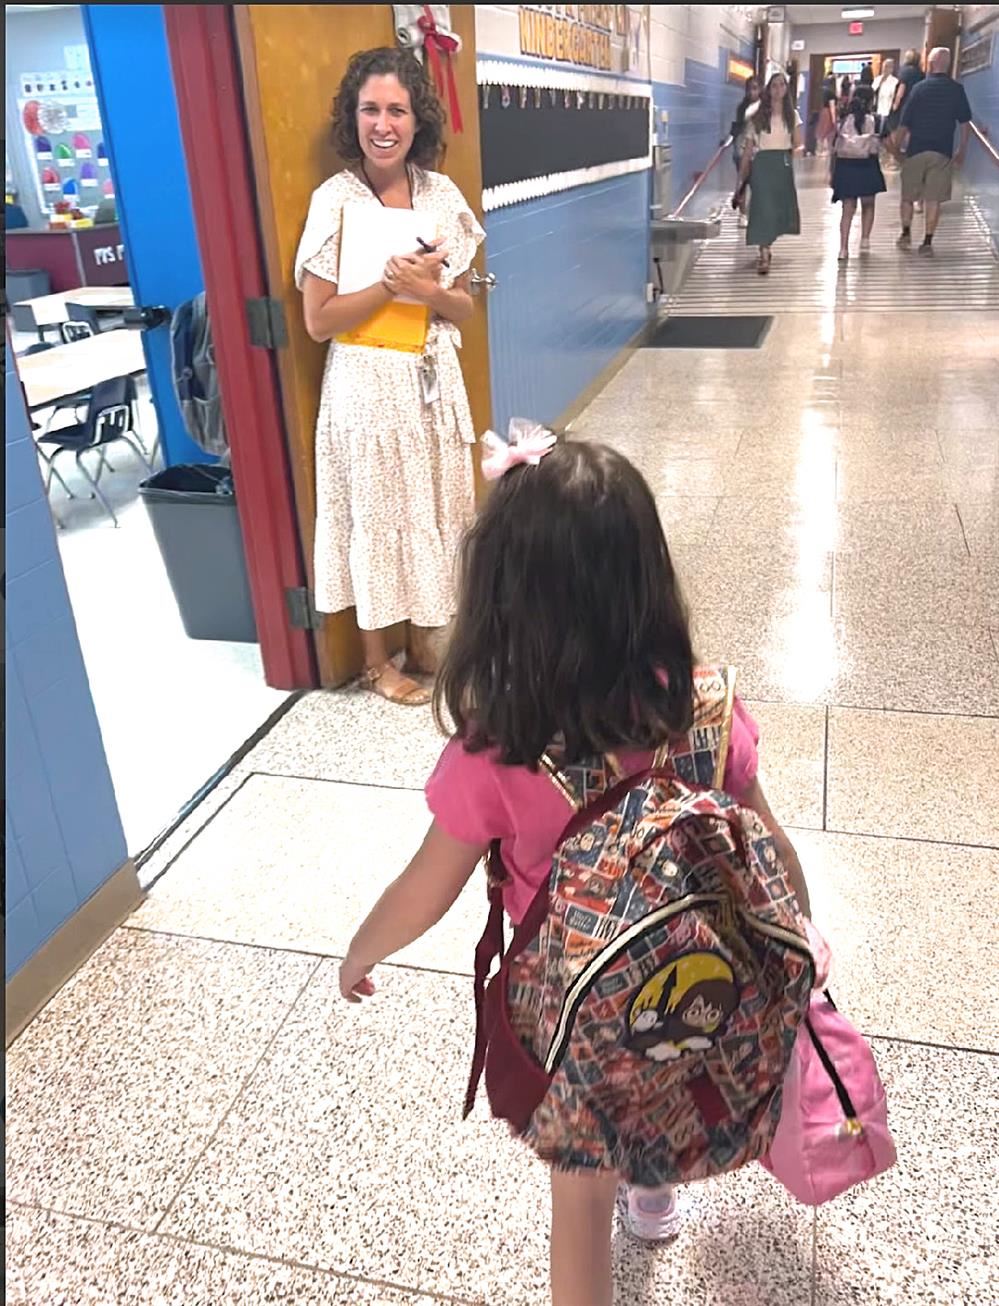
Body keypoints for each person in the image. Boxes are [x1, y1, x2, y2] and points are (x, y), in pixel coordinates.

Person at [338, 439, 814, 1306]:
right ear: (646, 579)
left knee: (577, 1204)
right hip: (694, 971)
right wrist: (800, 948)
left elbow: (428, 884)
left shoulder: (497, 748)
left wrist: (361, 950)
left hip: (570, 1008)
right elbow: (769, 845)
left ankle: (626, 1191)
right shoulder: (704, 707)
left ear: (502, 601)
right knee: (667, 1066)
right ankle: (656, 1189)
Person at [296, 47, 484, 706]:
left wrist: (426, 291)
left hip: (431, 379)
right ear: (353, 118)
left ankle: (427, 639)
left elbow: (464, 305)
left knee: (433, 505)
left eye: (396, 110)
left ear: (416, 118)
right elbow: (318, 321)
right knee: (374, 516)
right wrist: (384, 286)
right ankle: (377, 660)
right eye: (370, 109)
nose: (384, 123)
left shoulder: (441, 196)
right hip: (364, 385)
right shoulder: (336, 202)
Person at [893, 46, 972, 255]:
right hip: (942, 152)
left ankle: (906, 233)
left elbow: (904, 122)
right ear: (946, 65)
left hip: (916, 150)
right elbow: (965, 123)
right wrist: (962, 150)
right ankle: (927, 242)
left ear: (930, 64)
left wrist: (895, 149)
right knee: (933, 199)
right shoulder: (957, 90)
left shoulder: (918, 89)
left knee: (908, 196)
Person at [736, 71, 802, 275]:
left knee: (775, 208)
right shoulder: (757, 115)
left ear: (786, 89)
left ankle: (768, 245)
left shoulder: (792, 115)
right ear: (768, 89)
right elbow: (748, 148)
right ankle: (763, 252)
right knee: (762, 206)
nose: (778, 89)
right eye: (774, 85)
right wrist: (742, 176)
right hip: (763, 164)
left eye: (782, 85)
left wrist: (792, 156)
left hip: (782, 163)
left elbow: (799, 144)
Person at [831, 84, 885, 261]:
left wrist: (832, 173)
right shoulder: (874, 119)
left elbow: (835, 147)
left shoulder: (844, 119)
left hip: (846, 166)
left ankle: (843, 249)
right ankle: (865, 239)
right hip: (867, 165)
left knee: (847, 209)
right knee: (868, 204)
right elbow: (878, 145)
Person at [730, 74, 761, 227]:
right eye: (749, 89)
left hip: (759, 149)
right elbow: (739, 128)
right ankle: (742, 214)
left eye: (755, 89)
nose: (752, 93)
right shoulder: (742, 108)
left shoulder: (765, 108)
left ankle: (753, 212)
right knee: (743, 181)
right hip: (742, 148)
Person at [817, 73, 838, 155]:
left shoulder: (820, 90)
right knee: (828, 133)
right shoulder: (831, 93)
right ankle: (826, 150)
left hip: (820, 111)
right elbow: (832, 107)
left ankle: (818, 149)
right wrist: (833, 120)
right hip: (827, 113)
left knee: (820, 132)